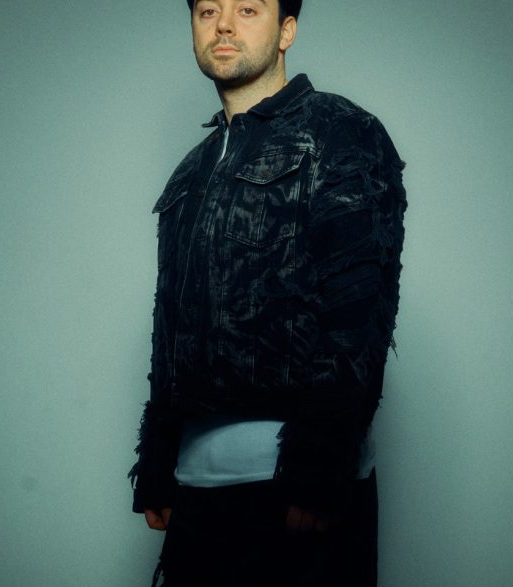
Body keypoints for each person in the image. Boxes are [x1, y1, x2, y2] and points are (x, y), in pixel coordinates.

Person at [129, 0, 406, 584]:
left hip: (295, 496)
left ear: (287, 31)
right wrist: (157, 459)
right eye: (208, 10)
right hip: (196, 490)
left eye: (248, 9)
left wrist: (322, 465)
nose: (224, 25)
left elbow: (359, 306)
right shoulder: (192, 168)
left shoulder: (339, 131)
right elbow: (170, 318)